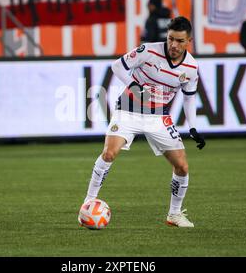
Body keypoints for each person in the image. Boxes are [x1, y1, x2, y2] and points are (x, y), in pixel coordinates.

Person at [81, 16, 206, 228]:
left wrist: (193, 127)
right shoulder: (148, 50)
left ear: (189, 41)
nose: (174, 45)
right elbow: (117, 66)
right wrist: (134, 85)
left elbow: (189, 97)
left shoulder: (192, 67)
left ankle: (174, 214)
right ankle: (88, 202)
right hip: (128, 110)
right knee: (109, 153)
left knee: (182, 167)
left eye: (180, 41)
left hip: (158, 116)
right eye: (170, 39)